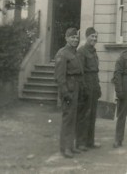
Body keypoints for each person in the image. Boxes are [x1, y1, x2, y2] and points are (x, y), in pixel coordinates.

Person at [54, 27, 83, 159]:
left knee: (74, 118)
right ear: (66, 38)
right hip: (68, 89)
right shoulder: (62, 53)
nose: (75, 40)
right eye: (72, 37)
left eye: (77, 38)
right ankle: (65, 148)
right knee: (68, 119)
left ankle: (70, 146)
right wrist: (65, 93)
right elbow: (60, 77)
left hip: (76, 87)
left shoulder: (75, 53)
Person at [76, 27, 102, 151]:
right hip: (86, 83)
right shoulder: (81, 51)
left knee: (92, 115)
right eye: (92, 36)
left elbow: (95, 71)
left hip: (94, 83)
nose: (94, 39)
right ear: (86, 37)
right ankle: (80, 143)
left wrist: (98, 87)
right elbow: (80, 71)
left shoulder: (94, 52)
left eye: (96, 37)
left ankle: (90, 142)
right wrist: (84, 88)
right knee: (84, 115)